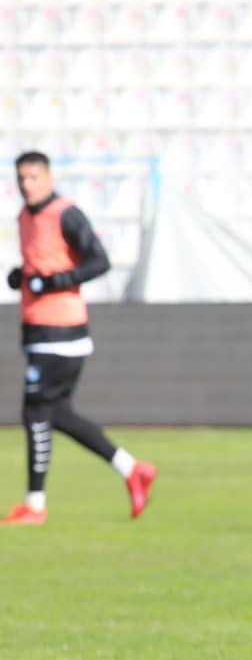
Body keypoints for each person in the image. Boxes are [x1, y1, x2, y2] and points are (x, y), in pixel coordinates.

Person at [4, 151, 155, 525]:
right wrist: (22, 276)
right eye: (21, 178)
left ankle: (35, 504)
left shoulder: (66, 214)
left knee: (35, 412)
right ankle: (132, 469)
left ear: (50, 178)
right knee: (57, 414)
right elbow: (42, 263)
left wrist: (57, 282)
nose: (27, 185)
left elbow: (98, 260)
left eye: (34, 177)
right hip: (36, 330)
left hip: (62, 333)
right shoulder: (24, 217)